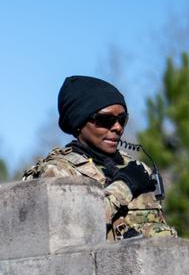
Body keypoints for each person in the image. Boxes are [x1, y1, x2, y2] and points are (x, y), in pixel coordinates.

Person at [22, 75, 177, 241]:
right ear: (79, 122)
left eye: (122, 119)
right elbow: (70, 227)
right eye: (105, 120)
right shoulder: (58, 171)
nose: (117, 127)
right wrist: (124, 187)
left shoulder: (137, 167)